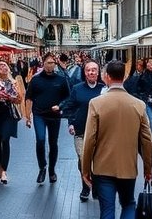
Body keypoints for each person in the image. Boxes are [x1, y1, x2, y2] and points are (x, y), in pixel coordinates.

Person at [81, 60, 152, 219]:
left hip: (103, 167)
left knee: (107, 210)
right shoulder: (138, 105)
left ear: (106, 77)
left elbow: (89, 140)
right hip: (128, 167)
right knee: (128, 204)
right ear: (125, 76)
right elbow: (147, 141)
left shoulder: (96, 103)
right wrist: (148, 168)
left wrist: (86, 169)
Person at [24, 51, 71, 184]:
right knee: (40, 140)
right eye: (48, 63)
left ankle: (51, 169)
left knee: (53, 143)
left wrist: (60, 106)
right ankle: (42, 167)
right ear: (43, 63)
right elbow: (28, 97)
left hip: (54, 116)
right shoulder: (36, 79)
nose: (51, 65)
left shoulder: (60, 80)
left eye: (53, 63)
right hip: (39, 114)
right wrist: (27, 116)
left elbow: (68, 97)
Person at [61, 59, 105, 202]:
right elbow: (69, 107)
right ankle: (86, 187)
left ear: (98, 72)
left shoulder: (104, 89)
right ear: (84, 72)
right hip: (80, 131)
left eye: (94, 70)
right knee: (83, 160)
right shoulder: (77, 88)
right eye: (88, 70)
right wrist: (71, 123)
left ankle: (96, 187)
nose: (91, 72)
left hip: (100, 132)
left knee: (97, 161)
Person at [0, 58, 25, 184]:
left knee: (5, 139)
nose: (3, 67)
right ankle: (0, 166)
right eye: (1, 65)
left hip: (8, 112)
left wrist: (12, 97)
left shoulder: (13, 82)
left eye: (5, 65)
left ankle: (4, 171)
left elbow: (19, 99)